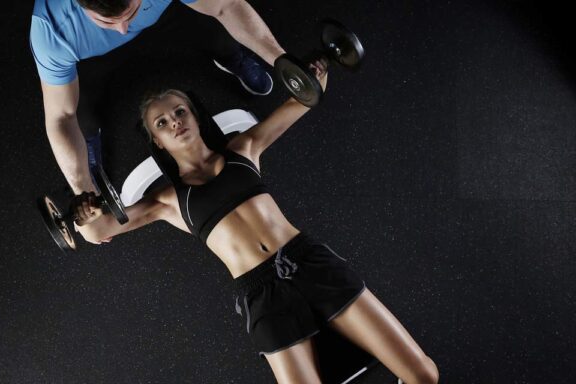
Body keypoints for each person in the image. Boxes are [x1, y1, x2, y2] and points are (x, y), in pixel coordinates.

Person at [72, 61, 440, 383]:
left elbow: (303, 99)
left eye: (180, 112)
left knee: (424, 374)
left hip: (311, 265)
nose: (176, 123)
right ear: (157, 140)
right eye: (163, 123)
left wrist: (316, 72)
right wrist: (85, 215)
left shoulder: (243, 150)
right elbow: (99, 231)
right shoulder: (168, 201)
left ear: (195, 115)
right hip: (262, 296)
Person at [29, 0, 287, 199]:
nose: (122, 29)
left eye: (128, 12)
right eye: (107, 21)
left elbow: (227, 6)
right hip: (91, 55)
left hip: (167, 11)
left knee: (213, 18)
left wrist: (282, 61)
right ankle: (88, 148)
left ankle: (233, 57)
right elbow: (61, 117)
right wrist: (83, 191)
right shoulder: (51, 30)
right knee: (78, 110)